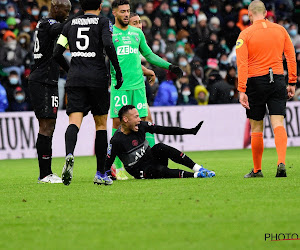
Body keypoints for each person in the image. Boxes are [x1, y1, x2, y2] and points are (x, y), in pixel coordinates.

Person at [109, 0, 183, 180]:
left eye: (128, 11)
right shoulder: (110, 33)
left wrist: (169, 66)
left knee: (144, 122)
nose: (126, 14)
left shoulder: (136, 33)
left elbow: (148, 54)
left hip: (138, 86)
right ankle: (117, 168)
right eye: (123, 11)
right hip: (120, 87)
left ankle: (148, 162)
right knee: (118, 125)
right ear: (114, 13)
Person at [54, 0, 123, 185]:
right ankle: (101, 173)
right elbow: (108, 45)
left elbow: (56, 52)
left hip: (75, 79)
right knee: (100, 125)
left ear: (81, 7)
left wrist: (71, 70)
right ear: (100, 6)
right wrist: (117, 70)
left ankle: (69, 154)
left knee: (74, 122)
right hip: (97, 79)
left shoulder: (69, 24)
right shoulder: (103, 22)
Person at [236, 0, 297, 178]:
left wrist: (242, 89)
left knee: (256, 127)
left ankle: (257, 170)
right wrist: (291, 82)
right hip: (277, 79)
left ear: (249, 14)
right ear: (266, 13)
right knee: (278, 123)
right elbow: (291, 56)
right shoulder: (280, 30)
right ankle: (281, 162)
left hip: (256, 81)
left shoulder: (245, 34)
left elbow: (242, 64)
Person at [101, 105, 215, 184]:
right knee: (157, 170)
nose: (139, 119)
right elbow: (108, 161)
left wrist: (190, 131)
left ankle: (199, 169)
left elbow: (164, 129)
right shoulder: (116, 140)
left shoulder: (141, 125)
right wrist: (108, 176)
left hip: (151, 158)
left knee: (160, 147)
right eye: (136, 117)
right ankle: (196, 176)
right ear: (125, 119)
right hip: (139, 170)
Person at [28, 0, 77, 184]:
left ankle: (46, 172)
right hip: (41, 80)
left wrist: (71, 70)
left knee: (50, 125)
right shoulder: (49, 24)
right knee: (46, 126)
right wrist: (80, 22)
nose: (67, 14)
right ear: (55, 8)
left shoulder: (47, 24)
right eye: (66, 11)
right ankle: (44, 174)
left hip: (49, 80)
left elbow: (57, 53)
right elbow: (63, 29)